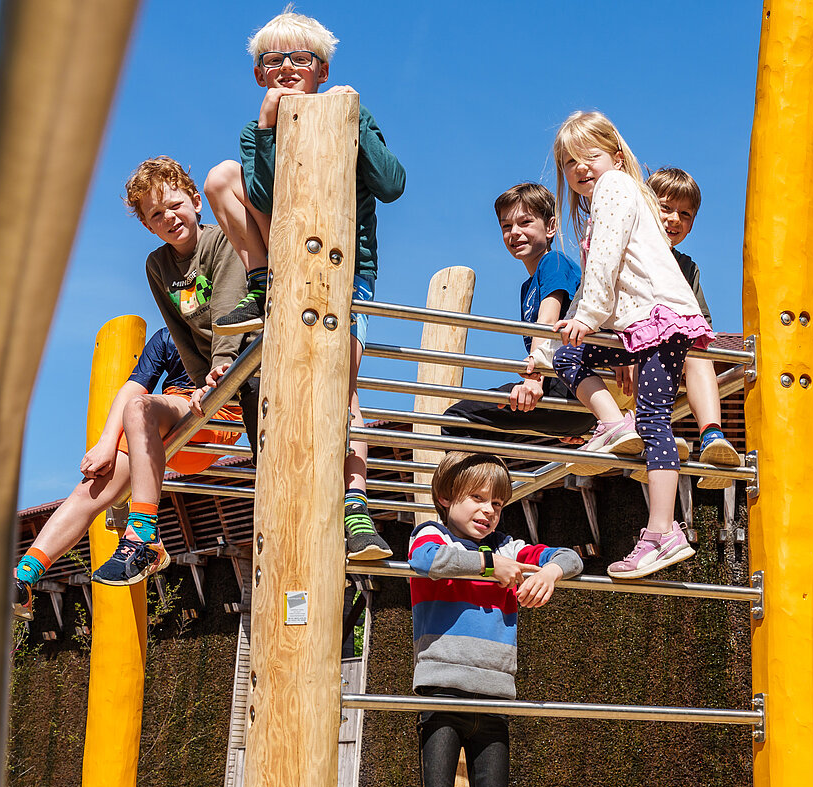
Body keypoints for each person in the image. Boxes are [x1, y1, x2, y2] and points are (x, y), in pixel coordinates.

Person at [202, 6, 405, 561]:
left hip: (343, 267)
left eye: (301, 58)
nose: (288, 67)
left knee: (342, 384)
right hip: (291, 257)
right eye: (274, 60)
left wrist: (354, 117)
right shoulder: (257, 129)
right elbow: (267, 197)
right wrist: (269, 131)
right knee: (221, 175)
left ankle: (356, 505)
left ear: (322, 67)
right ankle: (260, 279)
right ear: (259, 74)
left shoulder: (347, 109)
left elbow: (392, 184)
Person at [405, 451, 583, 787]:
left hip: (495, 699)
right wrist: (490, 566)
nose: (488, 511)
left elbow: (571, 555)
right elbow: (424, 563)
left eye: (498, 503)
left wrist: (546, 571)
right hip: (441, 693)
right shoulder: (431, 534)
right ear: (446, 499)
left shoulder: (511, 547)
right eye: (476, 499)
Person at [549, 112, 714, 579]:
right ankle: (615, 424)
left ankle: (662, 531)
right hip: (641, 326)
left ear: (616, 157)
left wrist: (587, 316)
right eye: (569, 162)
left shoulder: (615, 188)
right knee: (571, 356)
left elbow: (606, 259)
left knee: (652, 416)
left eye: (590, 156)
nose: (580, 168)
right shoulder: (619, 194)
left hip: (657, 319)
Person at [12, 326, 253, 617]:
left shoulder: (236, 324)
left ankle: (144, 534)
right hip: (169, 421)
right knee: (90, 489)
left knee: (140, 407)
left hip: (215, 414)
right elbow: (132, 387)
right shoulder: (168, 335)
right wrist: (106, 443)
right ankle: (23, 578)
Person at [440, 183, 594, 444]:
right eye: (506, 226)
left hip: (572, 383)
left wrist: (533, 380)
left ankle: (477, 485)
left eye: (525, 222)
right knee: (483, 428)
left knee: (457, 419)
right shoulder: (527, 287)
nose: (515, 232)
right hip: (567, 391)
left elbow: (547, 322)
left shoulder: (554, 262)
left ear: (550, 227)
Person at [647, 168, 740, 487]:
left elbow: (702, 324)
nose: (674, 219)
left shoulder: (686, 268)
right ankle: (648, 435)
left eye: (684, 214)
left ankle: (712, 435)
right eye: (665, 207)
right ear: (645, 207)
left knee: (698, 351)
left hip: (666, 356)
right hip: (627, 354)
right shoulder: (625, 254)